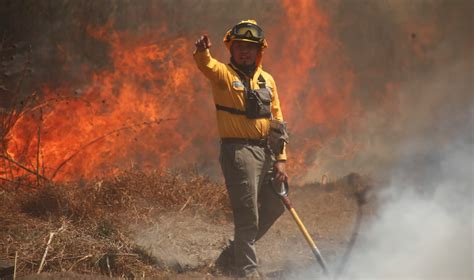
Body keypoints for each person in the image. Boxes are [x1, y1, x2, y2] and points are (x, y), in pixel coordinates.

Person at [193, 19, 289, 278]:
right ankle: (247, 271)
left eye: (250, 47)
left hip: (266, 152)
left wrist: (281, 158)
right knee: (248, 214)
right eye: (239, 46)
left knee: (275, 205)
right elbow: (207, 65)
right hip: (238, 152)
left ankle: (231, 256)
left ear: (259, 51)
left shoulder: (267, 80)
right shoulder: (224, 75)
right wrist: (203, 52)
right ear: (231, 49)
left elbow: (277, 121)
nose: (245, 51)